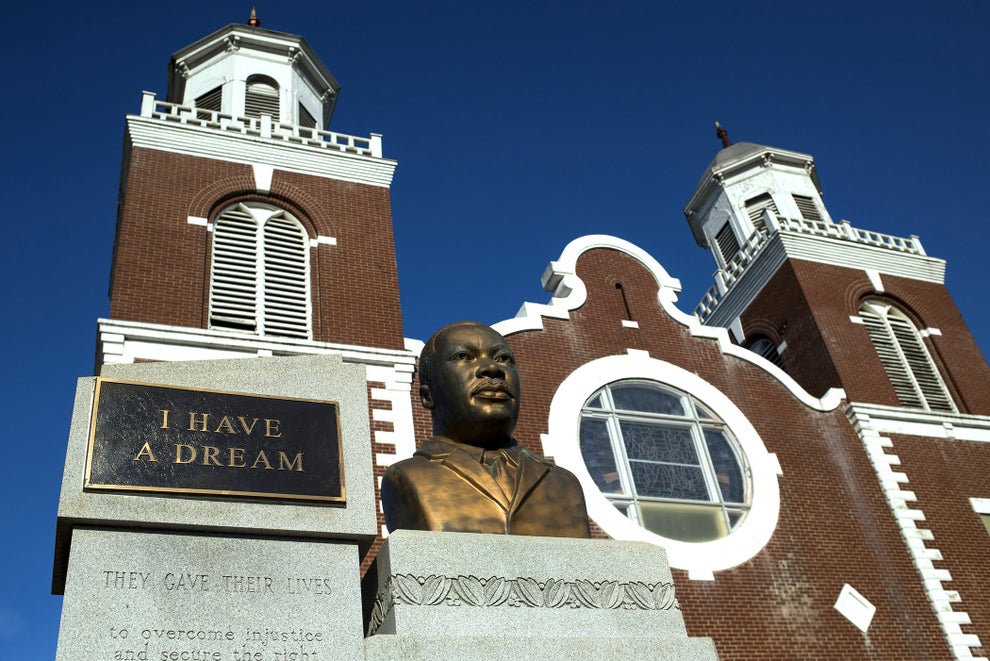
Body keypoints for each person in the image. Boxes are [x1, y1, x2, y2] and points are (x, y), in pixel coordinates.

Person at [382, 321, 590, 537]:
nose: (493, 368)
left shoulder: (564, 483)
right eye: (463, 356)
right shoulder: (407, 478)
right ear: (427, 396)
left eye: (503, 358)